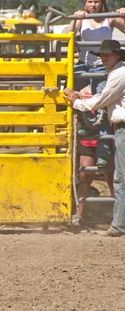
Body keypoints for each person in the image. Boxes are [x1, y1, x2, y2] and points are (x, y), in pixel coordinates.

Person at [64, 39, 125, 237]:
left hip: (122, 127)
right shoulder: (116, 72)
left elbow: (102, 99)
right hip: (119, 128)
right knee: (118, 178)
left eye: (108, 54)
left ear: (117, 55)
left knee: (120, 179)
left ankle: (118, 225)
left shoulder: (118, 74)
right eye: (102, 55)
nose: (104, 58)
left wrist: (76, 103)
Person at [71, 84, 114, 229]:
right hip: (88, 139)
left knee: (111, 176)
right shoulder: (82, 89)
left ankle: (118, 215)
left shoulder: (109, 88)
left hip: (105, 138)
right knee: (84, 176)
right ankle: (79, 214)